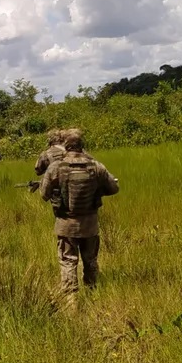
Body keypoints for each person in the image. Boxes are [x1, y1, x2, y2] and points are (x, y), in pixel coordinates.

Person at [39, 128, 119, 311]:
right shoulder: (96, 166)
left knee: (68, 261)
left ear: (66, 148)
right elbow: (114, 189)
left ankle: (71, 302)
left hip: (66, 225)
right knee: (90, 260)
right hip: (90, 225)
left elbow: (44, 194)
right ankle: (92, 296)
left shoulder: (56, 167)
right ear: (82, 147)